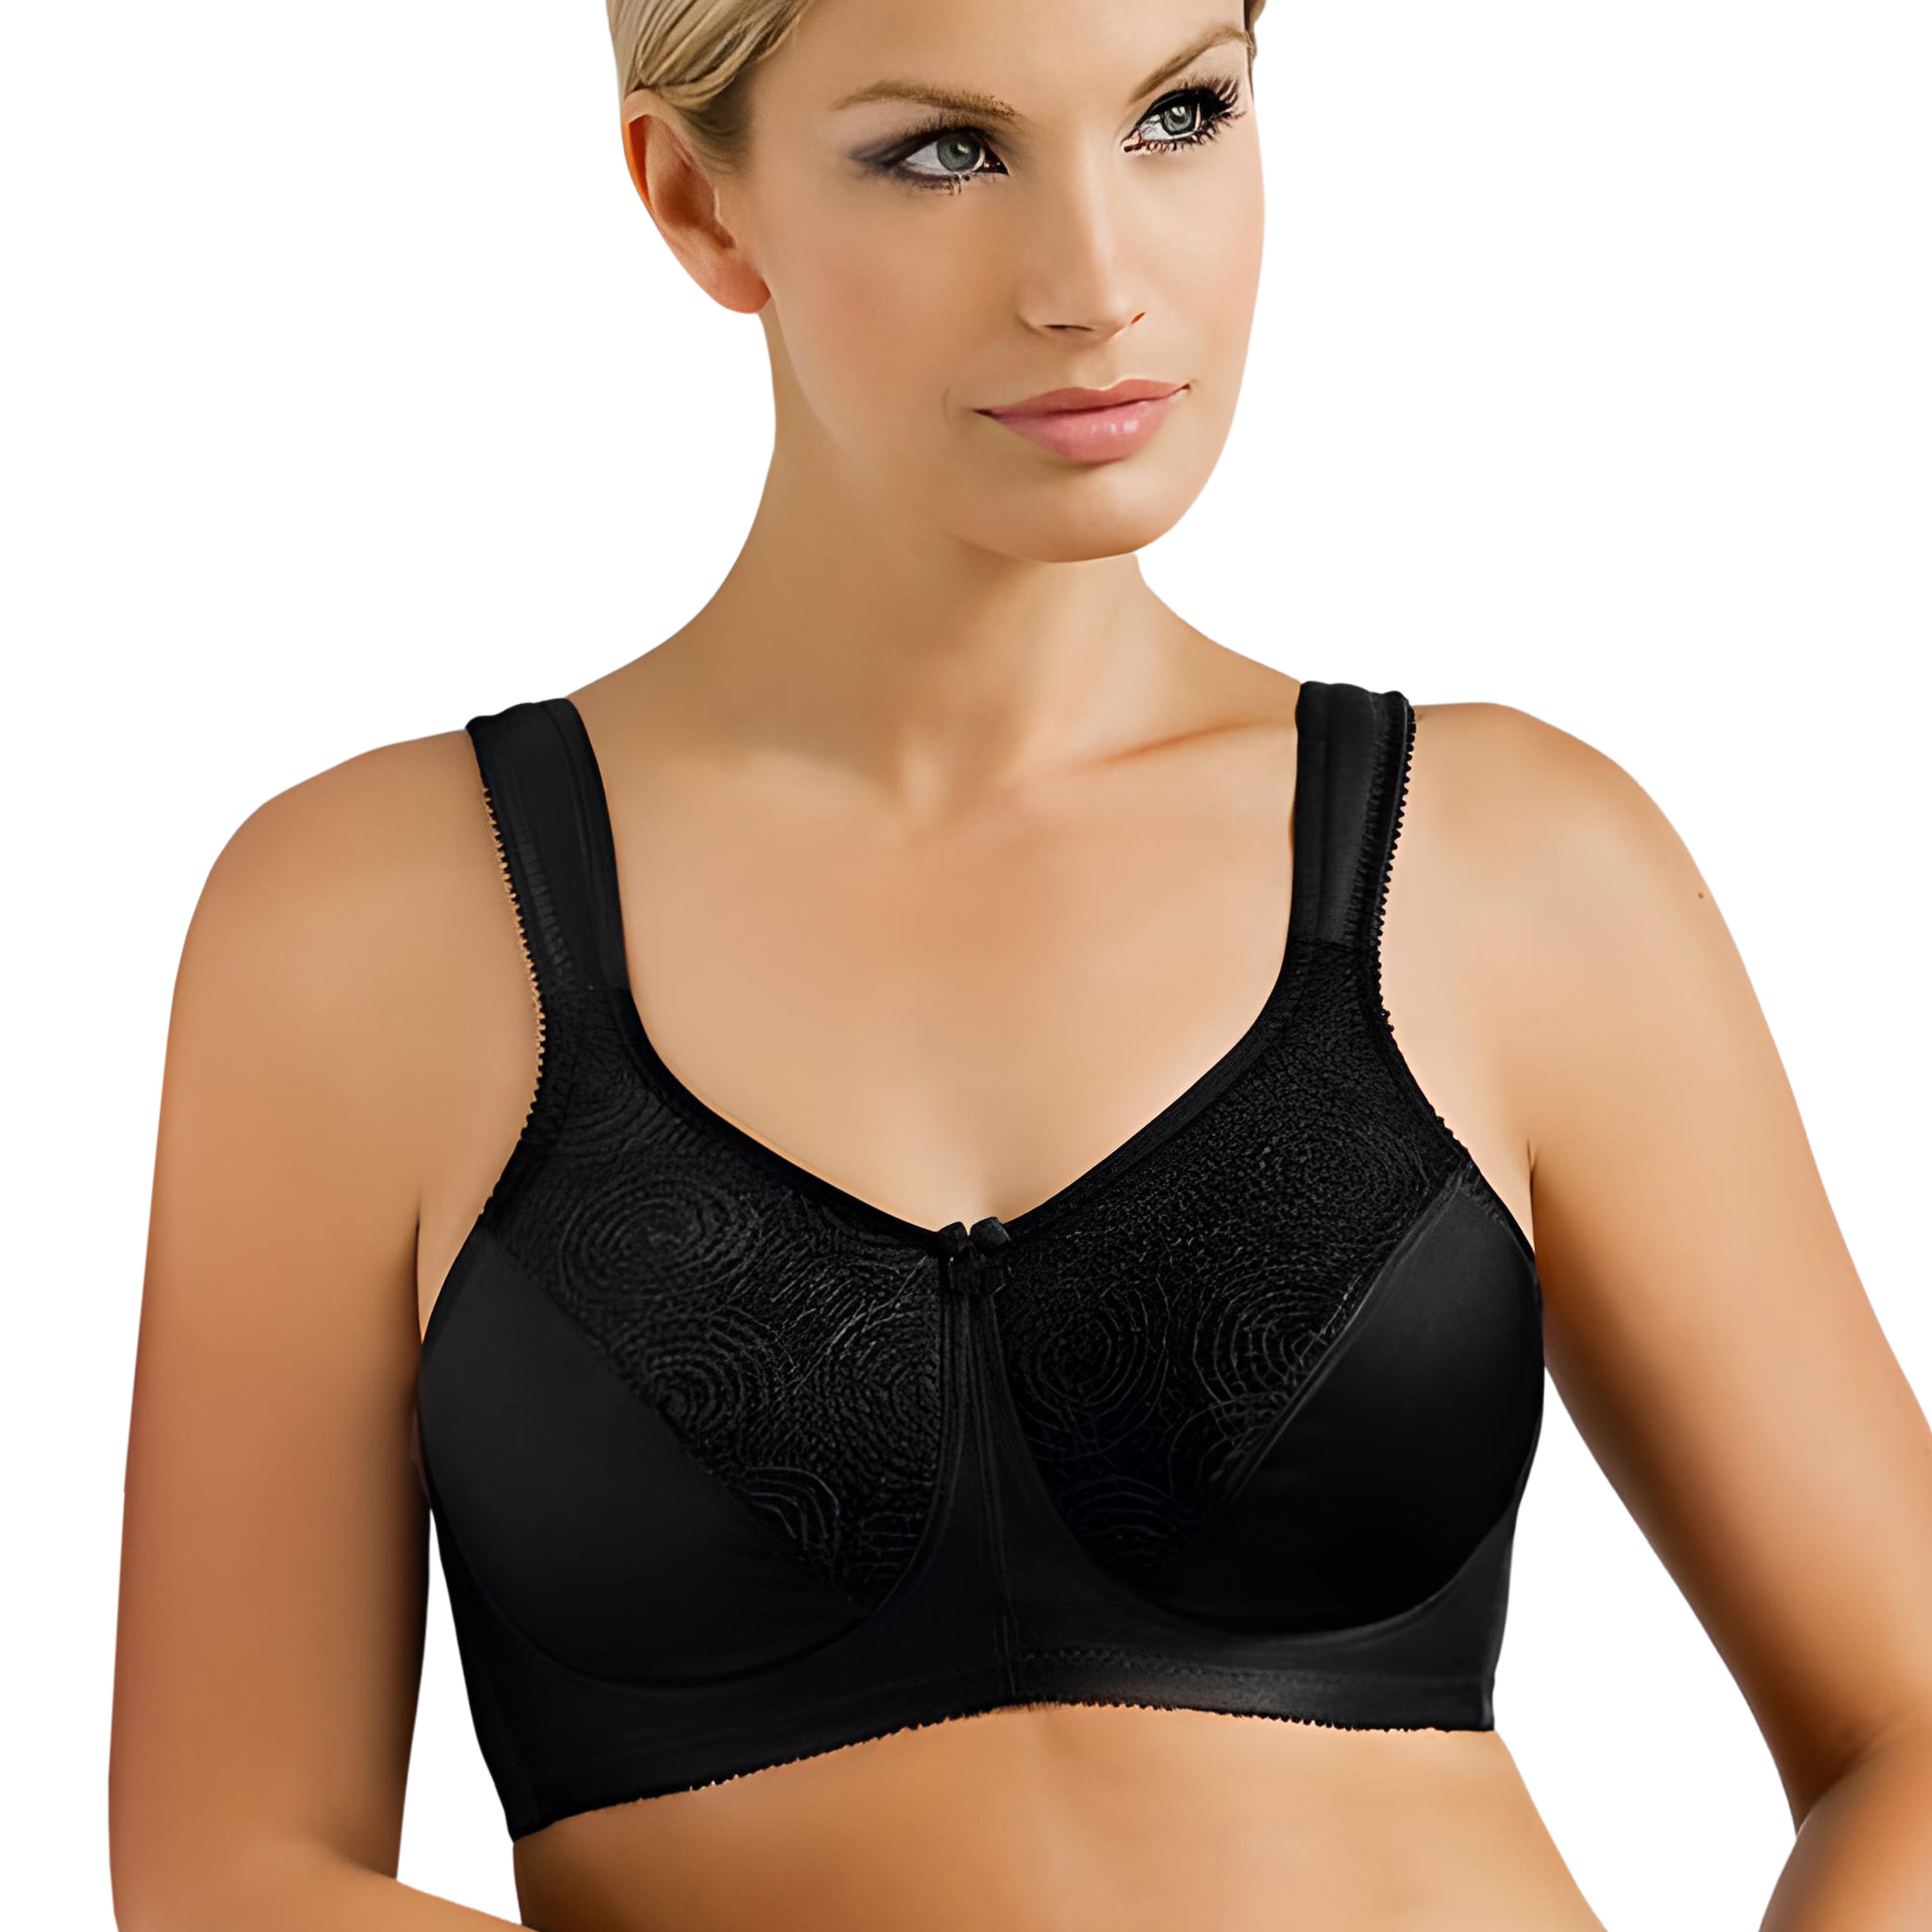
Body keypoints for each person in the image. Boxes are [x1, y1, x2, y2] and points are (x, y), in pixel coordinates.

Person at [109, 1, 1932, 1927]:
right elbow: (229, 1873)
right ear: (697, 202)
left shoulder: (1504, 865)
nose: (1094, 281)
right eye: (944, 152)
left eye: (1178, 113)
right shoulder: (374, 925)